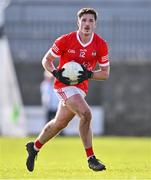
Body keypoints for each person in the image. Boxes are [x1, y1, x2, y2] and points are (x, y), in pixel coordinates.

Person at [26, 7, 110, 172]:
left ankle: (34, 147)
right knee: (86, 114)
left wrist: (88, 74)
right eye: (84, 20)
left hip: (81, 88)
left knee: (59, 123)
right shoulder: (65, 40)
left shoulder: (100, 44)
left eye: (90, 21)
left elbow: (105, 73)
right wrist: (56, 73)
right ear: (78, 22)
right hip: (63, 85)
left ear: (95, 24)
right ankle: (91, 158)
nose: (87, 24)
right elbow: (47, 60)